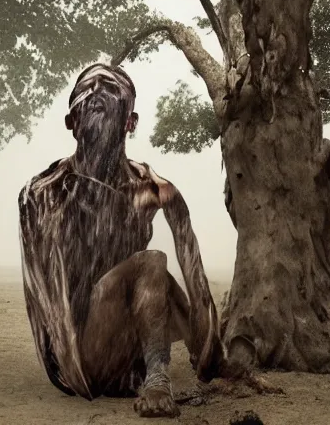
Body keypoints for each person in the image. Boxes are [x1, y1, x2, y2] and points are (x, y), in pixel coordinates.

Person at [18, 63, 224, 418]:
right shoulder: (43, 192)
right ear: (72, 123)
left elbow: (195, 278)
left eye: (108, 87)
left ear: (131, 121)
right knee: (150, 262)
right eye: (87, 90)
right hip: (79, 353)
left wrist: (207, 349)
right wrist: (73, 372)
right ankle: (159, 377)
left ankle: (205, 357)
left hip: (127, 353)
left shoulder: (153, 186)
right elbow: (48, 297)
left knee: (157, 274)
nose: (96, 90)